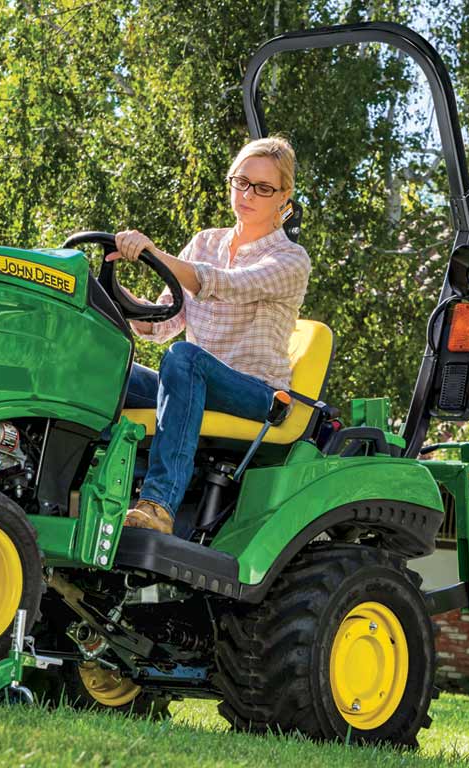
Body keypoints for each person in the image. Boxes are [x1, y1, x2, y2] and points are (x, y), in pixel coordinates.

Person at [110, 136, 311, 535]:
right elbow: (159, 323)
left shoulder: (290, 259)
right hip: (194, 384)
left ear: (283, 196)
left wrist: (153, 253)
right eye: (241, 181)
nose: (248, 194)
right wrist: (109, 289)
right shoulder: (205, 242)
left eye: (263, 188)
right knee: (109, 366)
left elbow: (223, 284)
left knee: (184, 358)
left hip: (258, 394)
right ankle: (74, 487)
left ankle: (158, 504)